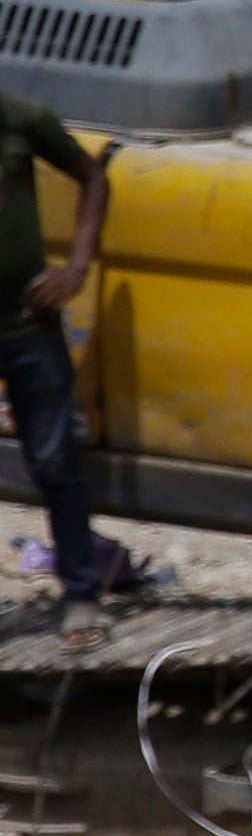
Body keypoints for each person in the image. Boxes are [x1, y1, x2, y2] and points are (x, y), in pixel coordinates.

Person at [0, 89, 125, 615]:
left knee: (55, 463)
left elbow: (93, 178)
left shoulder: (20, 118)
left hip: (27, 325)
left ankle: (80, 593)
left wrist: (75, 269)